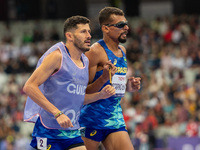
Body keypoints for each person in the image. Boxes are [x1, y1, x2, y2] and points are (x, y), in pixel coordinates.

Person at [23, 16, 115, 150]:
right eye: (83, 32)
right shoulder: (57, 56)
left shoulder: (85, 61)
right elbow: (29, 87)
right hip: (49, 131)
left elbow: (77, 98)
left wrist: (100, 95)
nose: (89, 36)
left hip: (72, 131)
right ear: (69, 36)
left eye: (89, 32)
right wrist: (57, 113)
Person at [79, 7, 141, 150]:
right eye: (120, 25)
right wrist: (102, 79)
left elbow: (113, 85)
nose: (126, 28)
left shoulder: (122, 51)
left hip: (114, 116)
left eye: (126, 24)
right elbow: (83, 92)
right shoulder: (95, 51)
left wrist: (128, 87)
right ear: (106, 28)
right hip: (91, 118)